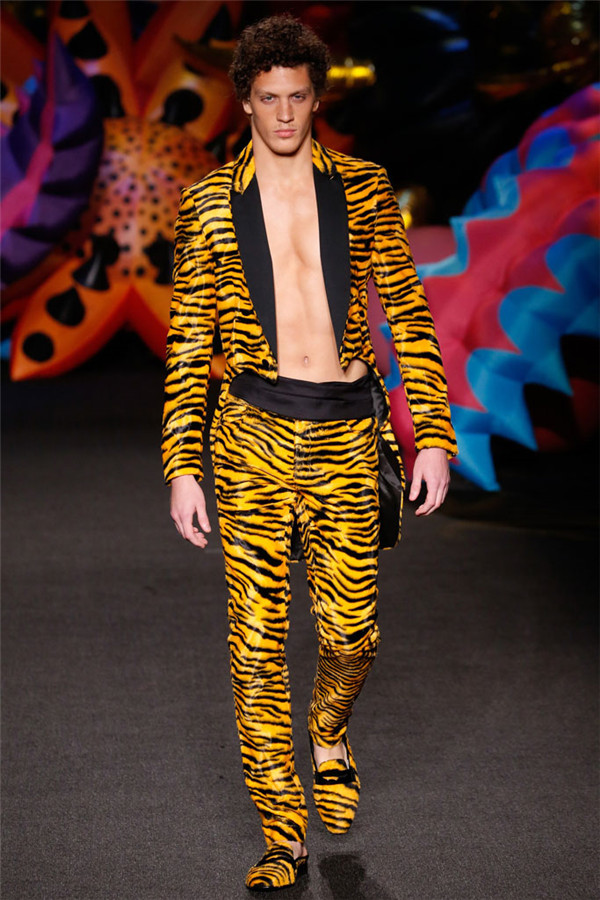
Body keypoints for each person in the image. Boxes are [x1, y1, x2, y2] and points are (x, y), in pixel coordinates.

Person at [162, 14, 457, 893]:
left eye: (298, 97)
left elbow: (408, 314)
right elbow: (188, 343)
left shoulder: (364, 189)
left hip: (345, 435)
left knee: (351, 633)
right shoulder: (207, 204)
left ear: (316, 98)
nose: (285, 114)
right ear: (245, 102)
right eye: (270, 99)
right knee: (255, 648)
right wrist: (182, 464)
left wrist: (432, 435)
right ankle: (282, 835)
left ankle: (328, 731)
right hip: (250, 435)